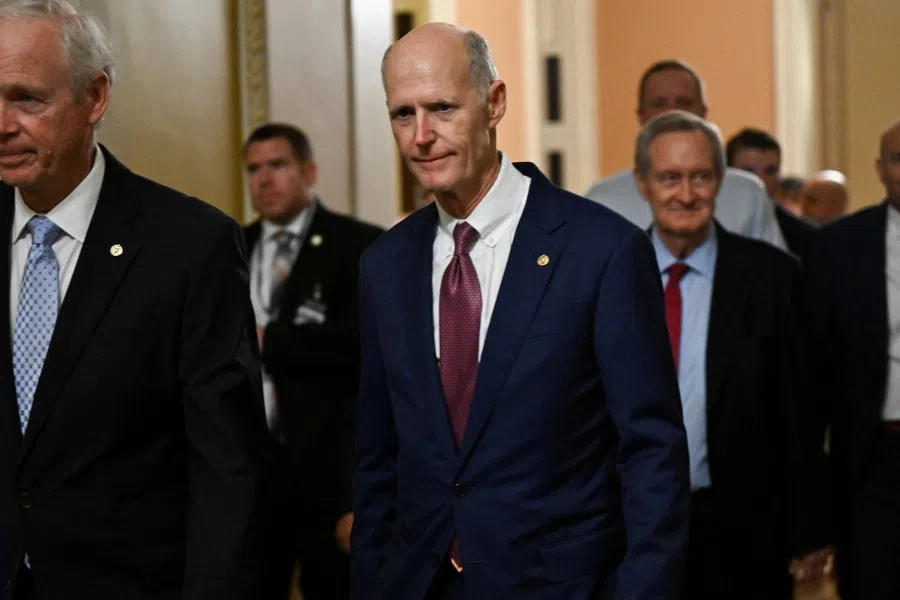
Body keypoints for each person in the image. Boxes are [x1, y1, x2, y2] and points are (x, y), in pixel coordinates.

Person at [353, 22, 690, 600]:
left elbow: (652, 449)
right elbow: (379, 457)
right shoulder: (384, 265)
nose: (422, 137)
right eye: (402, 114)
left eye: (442, 108)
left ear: (495, 103)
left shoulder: (600, 250)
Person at [0, 1, 271, 598]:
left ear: (94, 97)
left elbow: (228, 469)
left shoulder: (189, 245)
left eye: (26, 99)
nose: (2, 123)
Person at [638, 111, 831, 598]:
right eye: (669, 178)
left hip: (746, 529)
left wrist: (808, 526)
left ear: (720, 182)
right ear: (642, 184)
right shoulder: (607, 274)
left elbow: (801, 410)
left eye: (700, 177)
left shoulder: (774, 277)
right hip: (633, 527)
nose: (686, 194)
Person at [243, 122, 383, 600]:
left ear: (309, 171)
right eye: (254, 169)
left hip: (329, 475)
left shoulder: (358, 246)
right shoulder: (227, 249)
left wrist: (269, 341)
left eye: (277, 165)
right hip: (251, 473)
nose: (264, 180)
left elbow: (362, 351)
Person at [807, 119, 900, 598]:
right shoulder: (840, 247)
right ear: (881, 169)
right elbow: (816, 371)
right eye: (899, 159)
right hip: (872, 457)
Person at [585, 60, 786, 250]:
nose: (672, 112)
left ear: (704, 111)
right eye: (659, 103)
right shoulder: (604, 200)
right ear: (640, 114)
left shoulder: (747, 193)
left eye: (684, 102)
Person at [726, 128, 817, 264]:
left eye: (770, 171)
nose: (761, 181)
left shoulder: (807, 237)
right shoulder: (705, 230)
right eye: (748, 171)